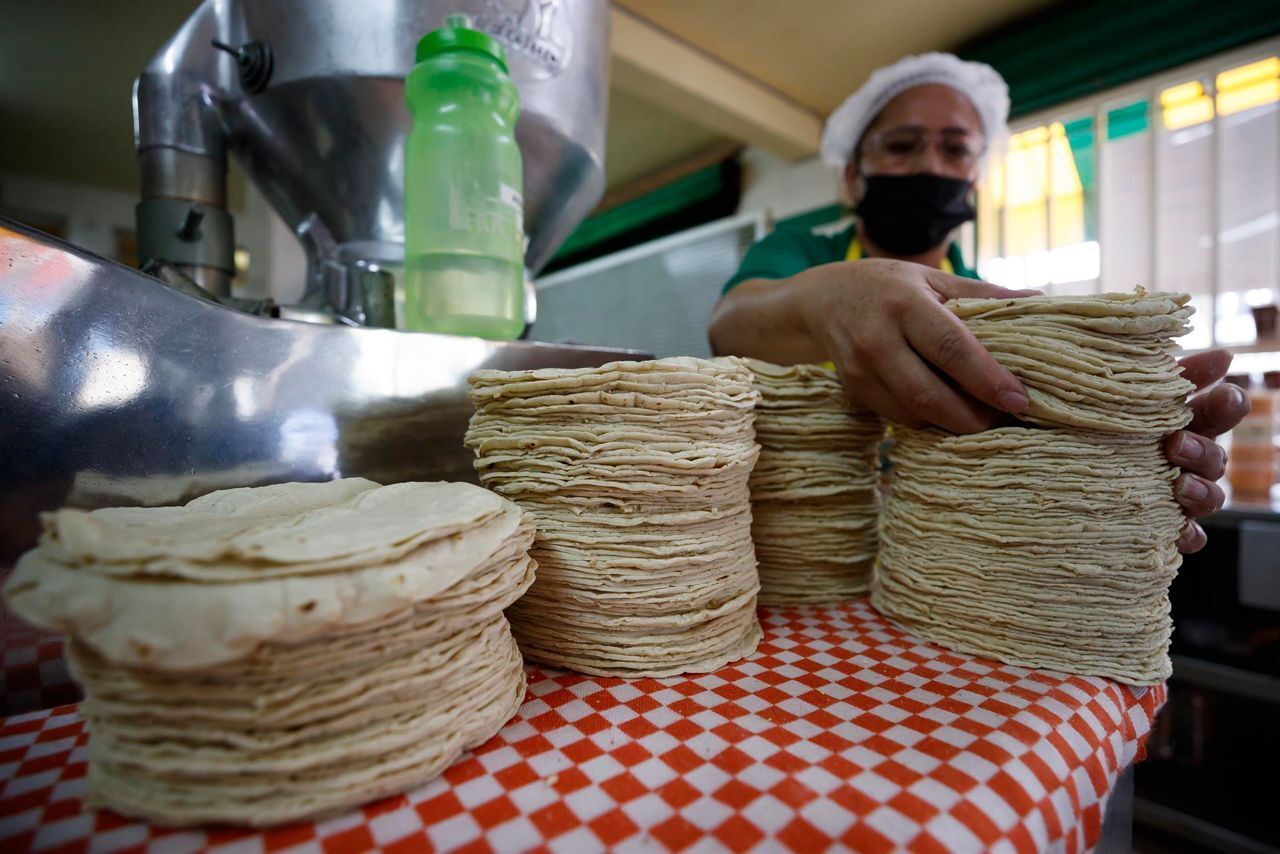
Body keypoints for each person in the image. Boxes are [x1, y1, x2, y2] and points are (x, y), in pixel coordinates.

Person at [708, 53, 1248, 553]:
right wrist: (830, 301)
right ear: (852, 175)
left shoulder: (994, 312)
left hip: (934, 558)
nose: (931, 165)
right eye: (902, 145)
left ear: (974, 177)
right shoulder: (799, 253)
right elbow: (730, 325)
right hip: (786, 551)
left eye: (955, 148)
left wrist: (1120, 449)